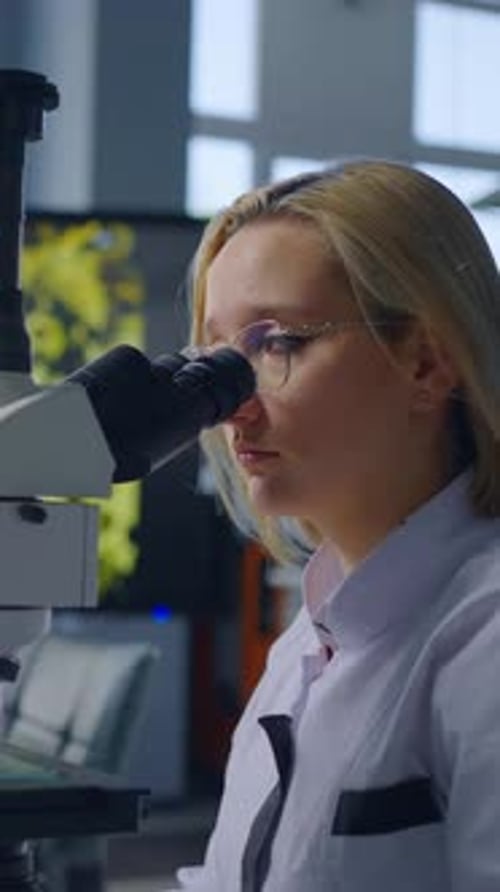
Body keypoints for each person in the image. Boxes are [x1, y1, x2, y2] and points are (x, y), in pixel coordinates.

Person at [167, 159, 500, 891]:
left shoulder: (483, 638)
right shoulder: (307, 646)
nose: (231, 408)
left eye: (276, 343)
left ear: (424, 362)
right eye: (215, 360)